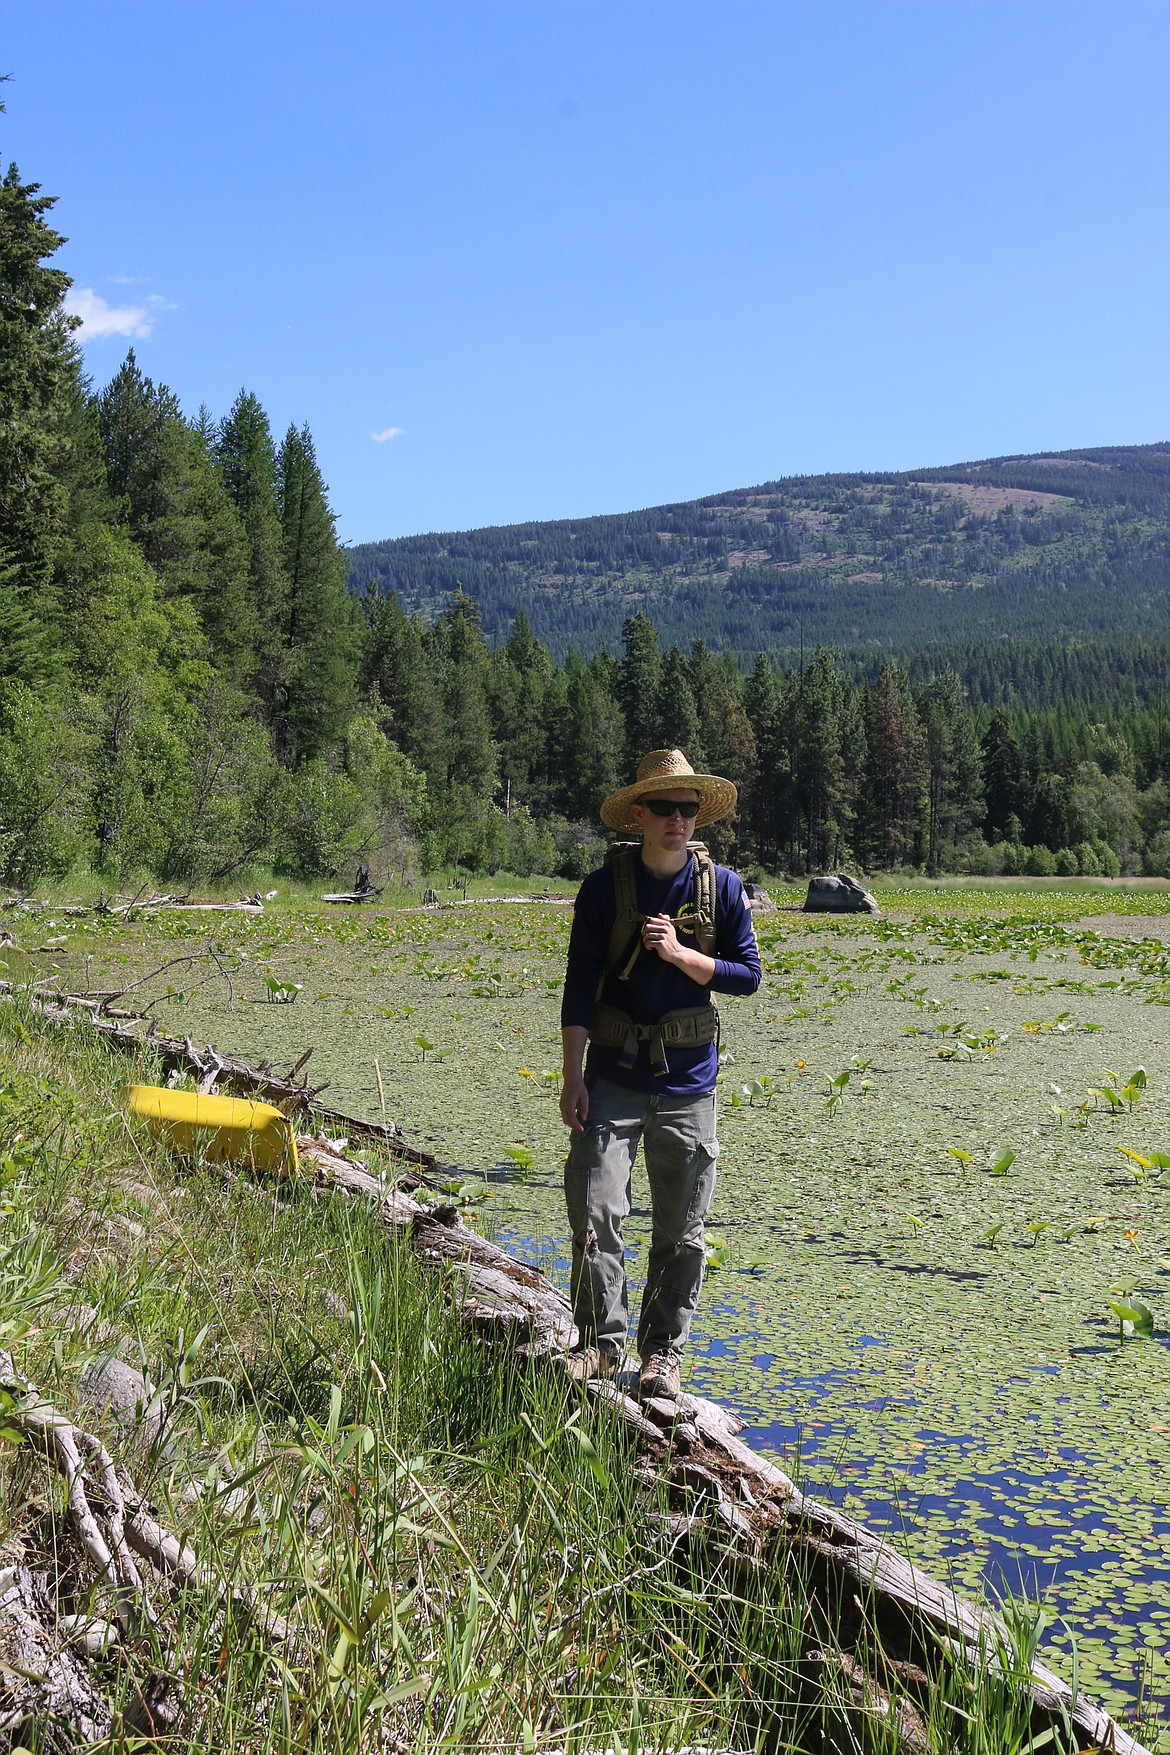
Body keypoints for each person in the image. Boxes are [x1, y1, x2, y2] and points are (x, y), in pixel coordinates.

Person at [559, 748, 762, 1399]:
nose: (679, 819)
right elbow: (577, 988)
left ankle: (662, 1355)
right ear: (639, 813)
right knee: (595, 1207)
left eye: (689, 807)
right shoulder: (600, 891)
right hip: (612, 1076)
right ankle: (598, 1343)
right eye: (666, 807)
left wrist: (679, 955)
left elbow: (748, 976)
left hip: (688, 1085)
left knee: (682, 1229)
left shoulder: (722, 889)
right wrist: (571, 1075)